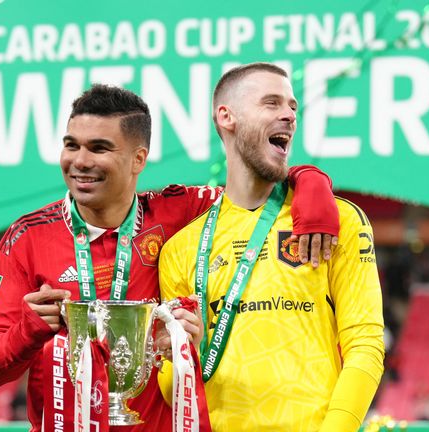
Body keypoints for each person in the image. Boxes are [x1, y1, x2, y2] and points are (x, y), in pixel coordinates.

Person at [0, 84, 340, 432]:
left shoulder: (179, 213)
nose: (80, 161)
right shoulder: (27, 237)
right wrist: (29, 329)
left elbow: (257, 185)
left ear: (138, 159)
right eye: (72, 145)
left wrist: (310, 179)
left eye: (99, 148)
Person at [158, 62, 385, 431]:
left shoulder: (338, 220)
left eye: (293, 107)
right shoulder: (181, 249)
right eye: (272, 103)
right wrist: (185, 357)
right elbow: (172, 387)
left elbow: (366, 346)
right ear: (226, 116)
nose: (289, 116)